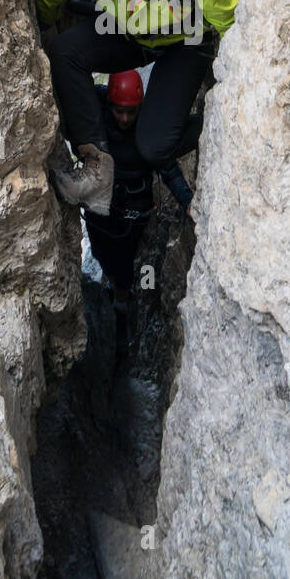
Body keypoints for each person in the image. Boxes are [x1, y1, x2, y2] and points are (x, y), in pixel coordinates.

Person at [36, 0, 241, 216]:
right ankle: (96, 166)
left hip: (186, 42)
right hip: (128, 34)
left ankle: (211, 120)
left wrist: (240, 93)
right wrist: (47, 18)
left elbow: (228, 19)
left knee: (154, 147)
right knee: (64, 50)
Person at [86, 69, 197, 362]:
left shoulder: (149, 127)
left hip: (134, 216)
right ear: (109, 103)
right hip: (101, 212)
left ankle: (126, 307)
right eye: (118, 111)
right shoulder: (97, 110)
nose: (124, 118)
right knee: (104, 257)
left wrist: (188, 200)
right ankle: (116, 291)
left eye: (130, 112)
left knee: (135, 269)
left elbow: (168, 167)